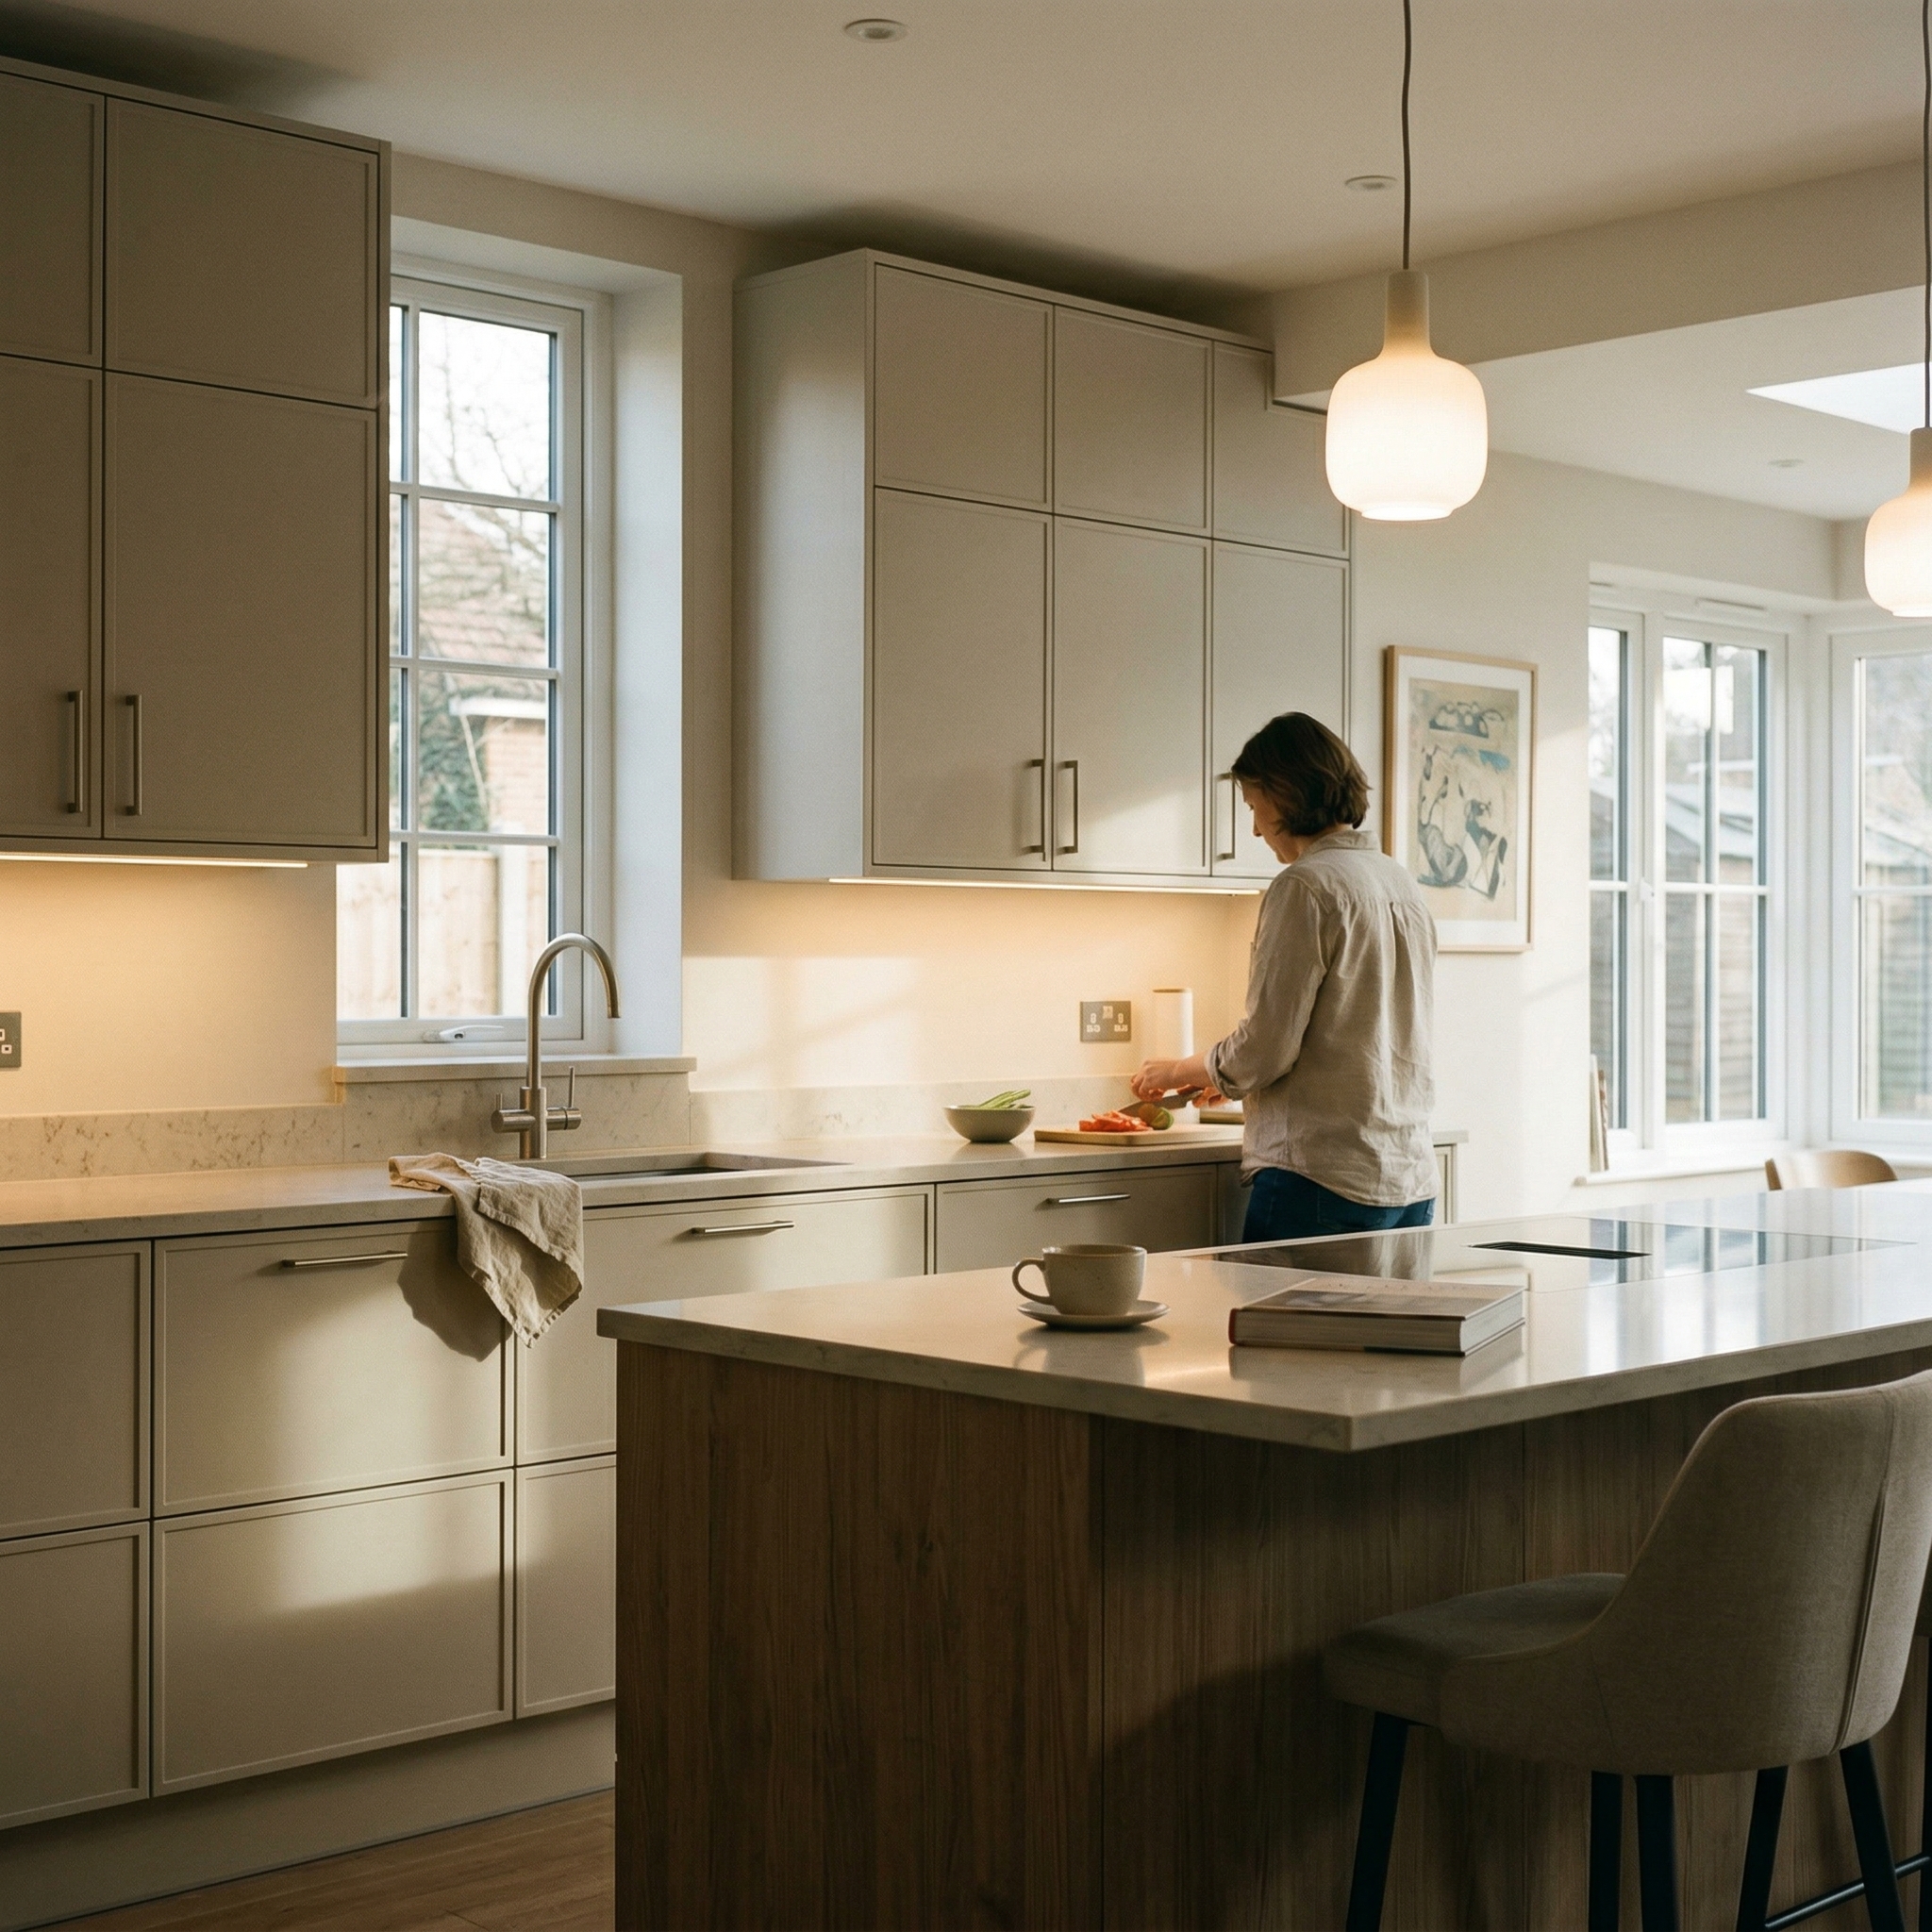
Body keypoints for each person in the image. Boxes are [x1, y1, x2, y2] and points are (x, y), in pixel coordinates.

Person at [1131, 711, 1438, 1244]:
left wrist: (1181, 1068)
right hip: (1407, 1178)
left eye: (1254, 805)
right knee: (1381, 1331)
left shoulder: (1304, 887)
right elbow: (1355, 1033)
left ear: (1286, 791)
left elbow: (1268, 1045)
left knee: (1281, 1330)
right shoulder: (1399, 881)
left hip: (1320, 1178)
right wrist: (1223, 1079)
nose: (1253, 827)